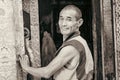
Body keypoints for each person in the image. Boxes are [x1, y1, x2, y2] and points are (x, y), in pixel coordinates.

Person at [19, 5, 94, 80]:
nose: (63, 24)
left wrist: (26, 67)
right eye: (61, 19)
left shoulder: (72, 47)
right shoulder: (80, 40)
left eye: (69, 19)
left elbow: (46, 72)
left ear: (79, 23)